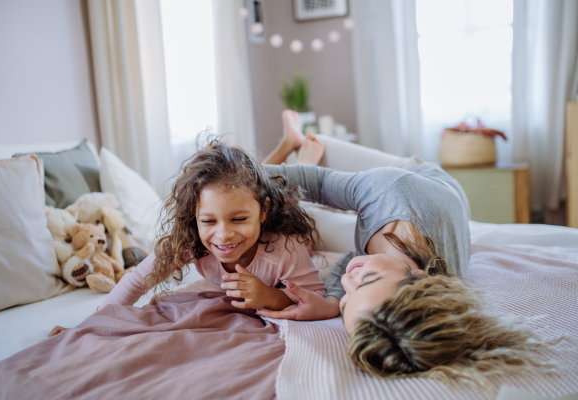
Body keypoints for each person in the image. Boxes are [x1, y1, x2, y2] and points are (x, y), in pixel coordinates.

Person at [259, 111, 547, 384]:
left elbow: (352, 261)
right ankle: (295, 143)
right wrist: (238, 180)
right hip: (418, 181)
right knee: (319, 153)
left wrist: (334, 301)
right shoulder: (388, 190)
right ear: (422, 276)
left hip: (406, 228)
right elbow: (318, 183)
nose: (347, 277)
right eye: (367, 279)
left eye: (349, 298)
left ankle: (300, 157)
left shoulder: (406, 287)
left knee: (297, 225)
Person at [49, 139, 325, 337]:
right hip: (258, 208)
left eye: (238, 219)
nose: (223, 234)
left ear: (262, 212)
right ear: (194, 217)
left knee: (289, 197)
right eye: (208, 221)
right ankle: (289, 142)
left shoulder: (286, 247)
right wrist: (87, 324)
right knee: (264, 186)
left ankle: (304, 158)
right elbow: (138, 279)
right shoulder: (191, 241)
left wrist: (270, 296)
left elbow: (316, 299)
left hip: (282, 224)